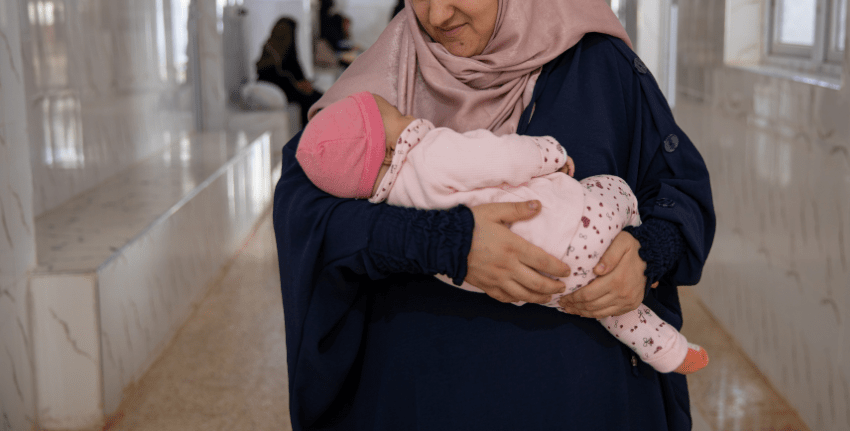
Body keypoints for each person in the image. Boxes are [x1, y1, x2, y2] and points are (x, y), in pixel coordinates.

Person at [273, 0, 715, 431]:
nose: (436, 15)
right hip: (419, 397)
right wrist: (446, 243)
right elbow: (306, 212)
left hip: (576, 401)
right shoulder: (383, 81)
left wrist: (646, 254)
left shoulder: (600, 71)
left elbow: (679, 191)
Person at [296, 90, 711, 375]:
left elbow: (677, 181)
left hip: (542, 288)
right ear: (388, 146)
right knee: (614, 189)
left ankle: (669, 350)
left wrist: (652, 248)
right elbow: (501, 157)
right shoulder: (432, 151)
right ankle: (672, 348)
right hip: (580, 227)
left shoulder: (386, 200)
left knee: (606, 307)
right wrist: (552, 153)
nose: (437, 11)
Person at [255, 16, 322, 127]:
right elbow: (271, 75)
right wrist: (297, 85)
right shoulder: (270, 48)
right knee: (309, 101)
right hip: (279, 88)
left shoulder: (288, 49)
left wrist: (303, 81)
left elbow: (294, 68)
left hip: (289, 86)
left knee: (320, 97)